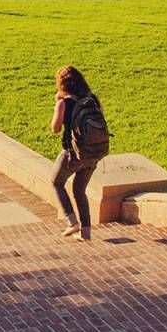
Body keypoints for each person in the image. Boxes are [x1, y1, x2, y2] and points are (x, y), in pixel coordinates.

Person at [50, 65, 103, 242]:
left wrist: (58, 105)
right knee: (80, 191)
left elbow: (55, 129)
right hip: (93, 152)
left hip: (72, 153)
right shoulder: (93, 99)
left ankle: (72, 222)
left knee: (56, 182)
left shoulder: (63, 103)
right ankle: (86, 233)